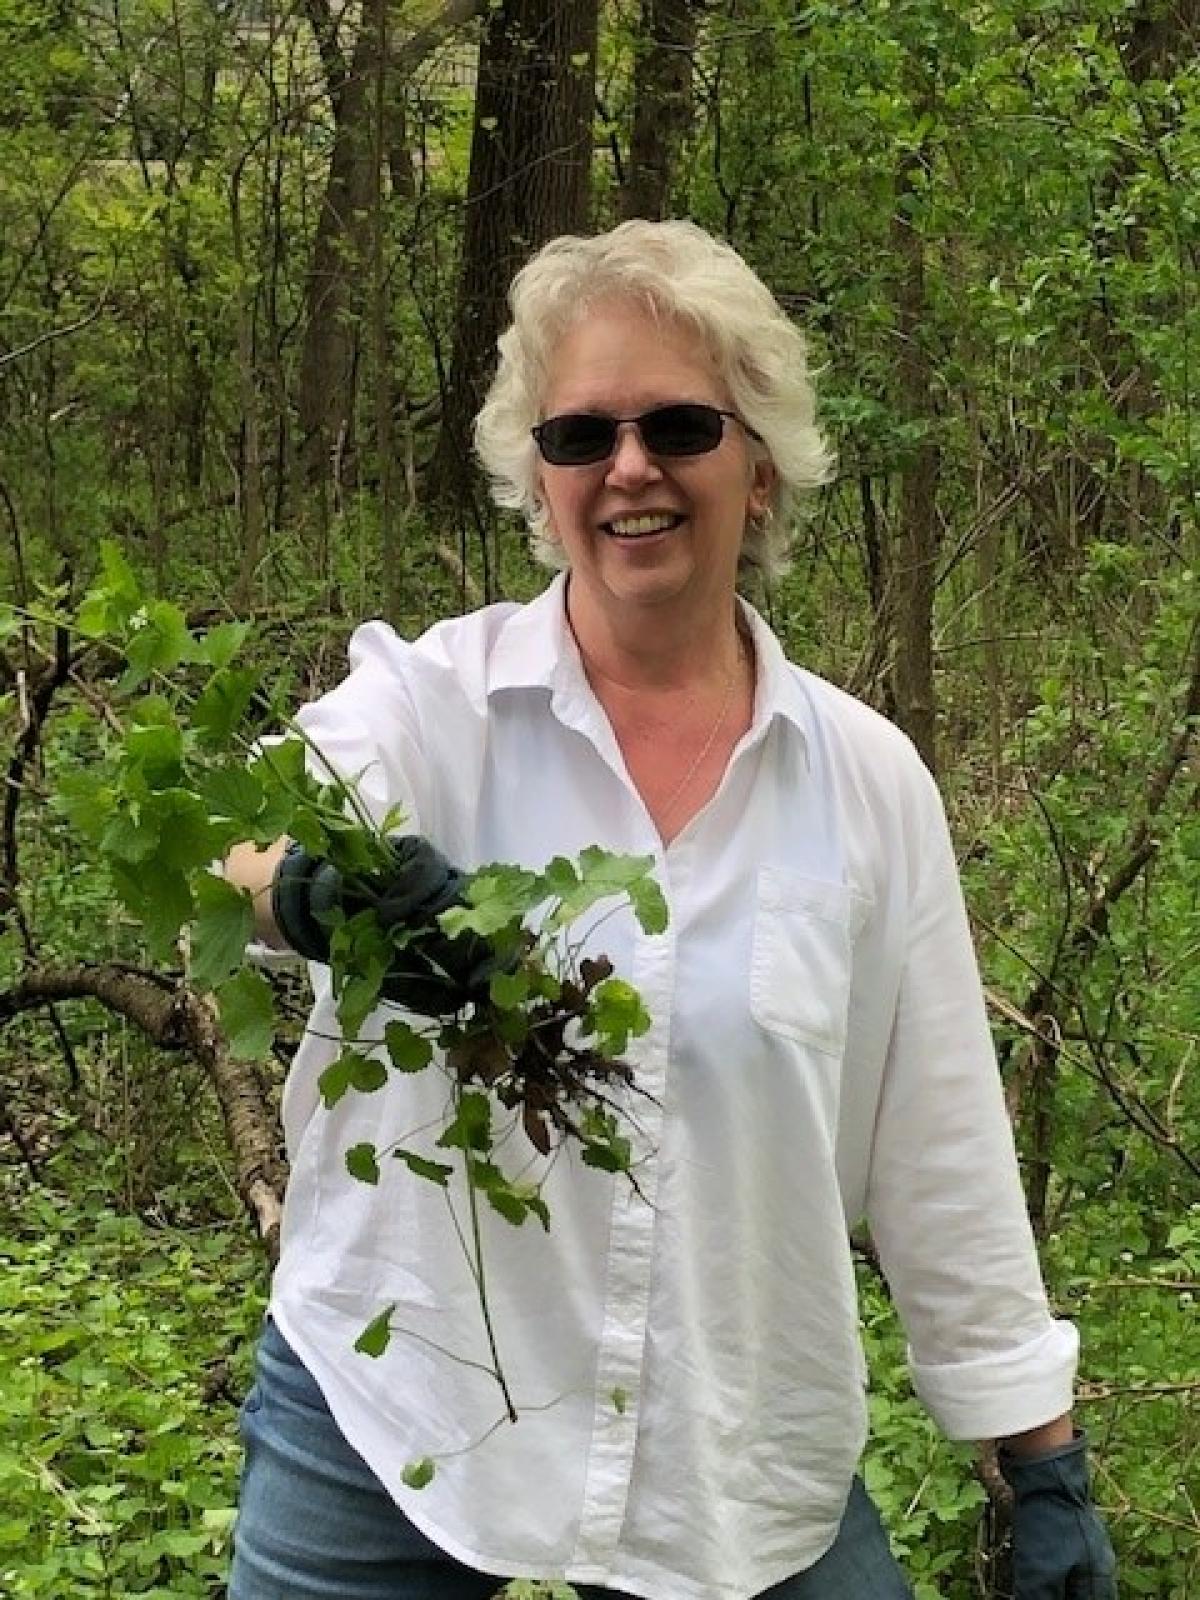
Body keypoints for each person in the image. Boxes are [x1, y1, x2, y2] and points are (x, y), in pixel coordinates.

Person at [224, 220, 1116, 1600]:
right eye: (582, 435)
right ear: (541, 477)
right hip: (399, 1416)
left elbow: (939, 1144)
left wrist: (1038, 1459)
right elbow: (231, 834)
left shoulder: (867, 784)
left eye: (680, 425)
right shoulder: (431, 707)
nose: (630, 468)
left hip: (722, 1440)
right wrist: (300, 884)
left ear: (757, 467)